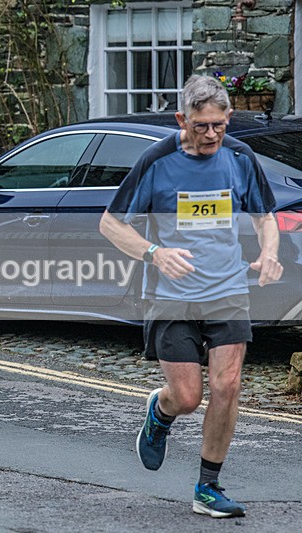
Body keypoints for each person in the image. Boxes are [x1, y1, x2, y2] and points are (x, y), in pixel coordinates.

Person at [99, 75, 283, 518]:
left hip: (227, 290)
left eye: (220, 124)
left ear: (228, 119)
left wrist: (270, 255)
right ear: (182, 119)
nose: (212, 135)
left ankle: (208, 487)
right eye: (201, 125)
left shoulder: (239, 156)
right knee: (186, 396)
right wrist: (155, 253)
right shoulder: (157, 160)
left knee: (228, 386)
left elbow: (265, 218)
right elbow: (111, 224)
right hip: (172, 297)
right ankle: (160, 413)